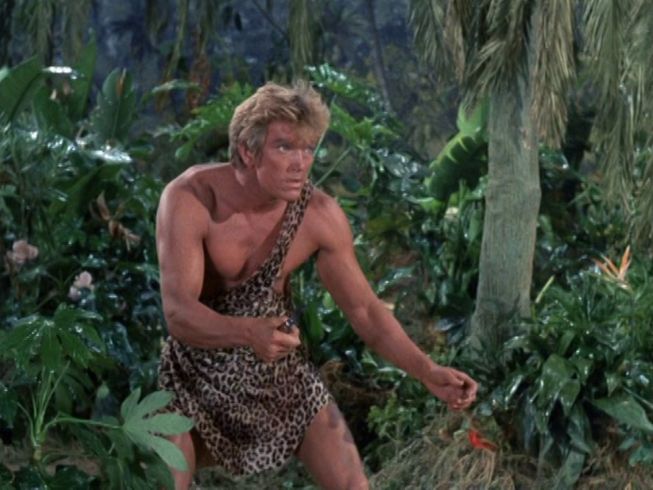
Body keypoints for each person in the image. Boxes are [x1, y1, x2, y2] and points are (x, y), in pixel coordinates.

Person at [156, 81, 478, 490]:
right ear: (248, 151)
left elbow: (365, 311)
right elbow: (178, 314)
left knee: (353, 486)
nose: (301, 163)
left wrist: (427, 370)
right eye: (285, 147)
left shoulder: (318, 215)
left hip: (279, 377)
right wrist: (248, 332)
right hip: (193, 373)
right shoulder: (190, 198)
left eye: (308, 149)